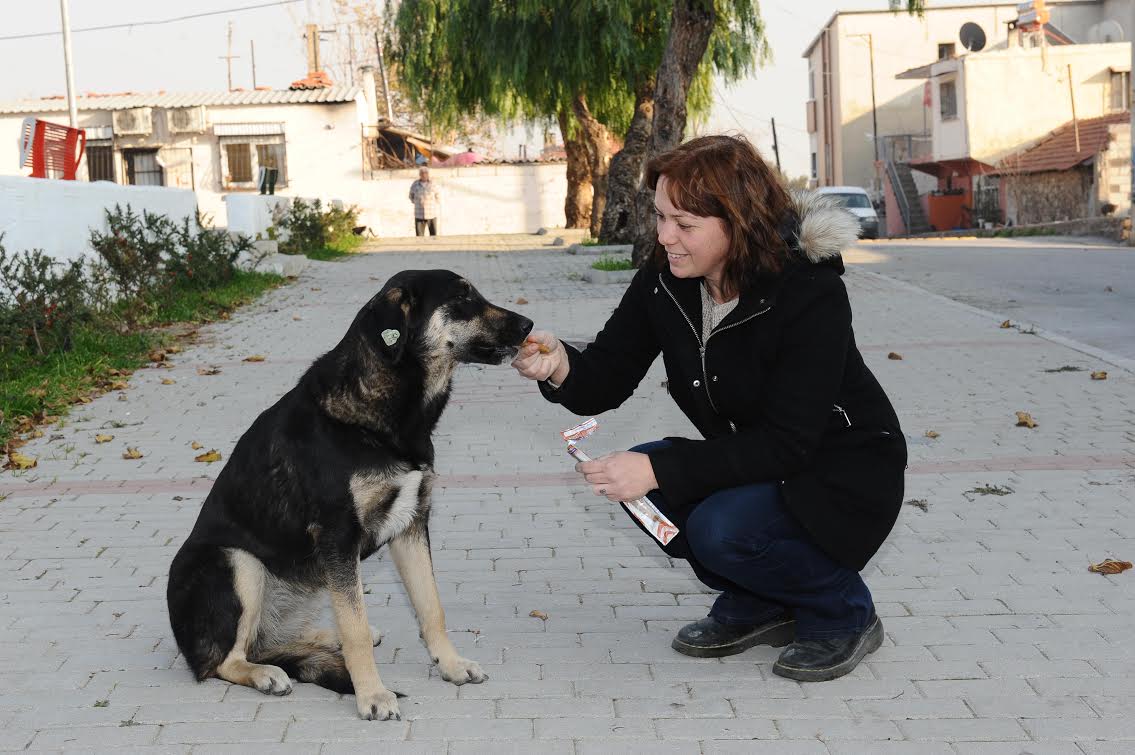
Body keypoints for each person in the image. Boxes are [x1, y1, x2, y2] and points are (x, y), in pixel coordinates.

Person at [511, 134, 906, 682]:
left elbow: (790, 442)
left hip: (841, 470)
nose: (664, 236)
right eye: (660, 216)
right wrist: (556, 365)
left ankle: (843, 612)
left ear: (737, 221)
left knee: (718, 525)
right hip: (757, 462)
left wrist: (658, 467)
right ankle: (759, 599)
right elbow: (605, 376)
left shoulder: (808, 291)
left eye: (685, 224)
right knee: (647, 493)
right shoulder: (665, 281)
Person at [409, 167, 440, 236]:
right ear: (420, 175)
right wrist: (418, 202)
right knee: (419, 236)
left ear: (428, 174)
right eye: (422, 173)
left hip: (431, 214)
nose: (424, 175)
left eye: (426, 173)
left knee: (433, 236)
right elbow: (411, 196)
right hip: (419, 214)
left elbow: (438, 197)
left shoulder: (433, 184)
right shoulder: (415, 184)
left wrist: (431, 203)